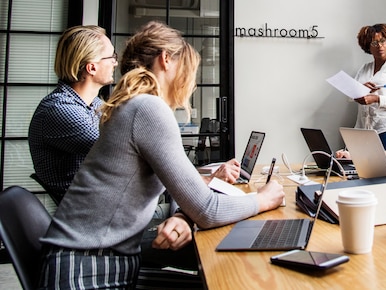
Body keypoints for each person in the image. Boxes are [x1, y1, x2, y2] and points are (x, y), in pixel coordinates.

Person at [38, 21, 285, 289]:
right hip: (87, 271)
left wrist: (181, 215)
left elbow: (191, 197)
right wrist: (263, 199)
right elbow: (207, 209)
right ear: (166, 60)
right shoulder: (147, 108)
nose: (190, 82)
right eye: (188, 70)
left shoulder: (134, 104)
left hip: (97, 263)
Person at [28, 25, 117, 203]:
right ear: (91, 68)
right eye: (111, 57)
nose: (115, 62)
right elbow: (118, 151)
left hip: (107, 203)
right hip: (89, 215)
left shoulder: (93, 104)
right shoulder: (60, 109)